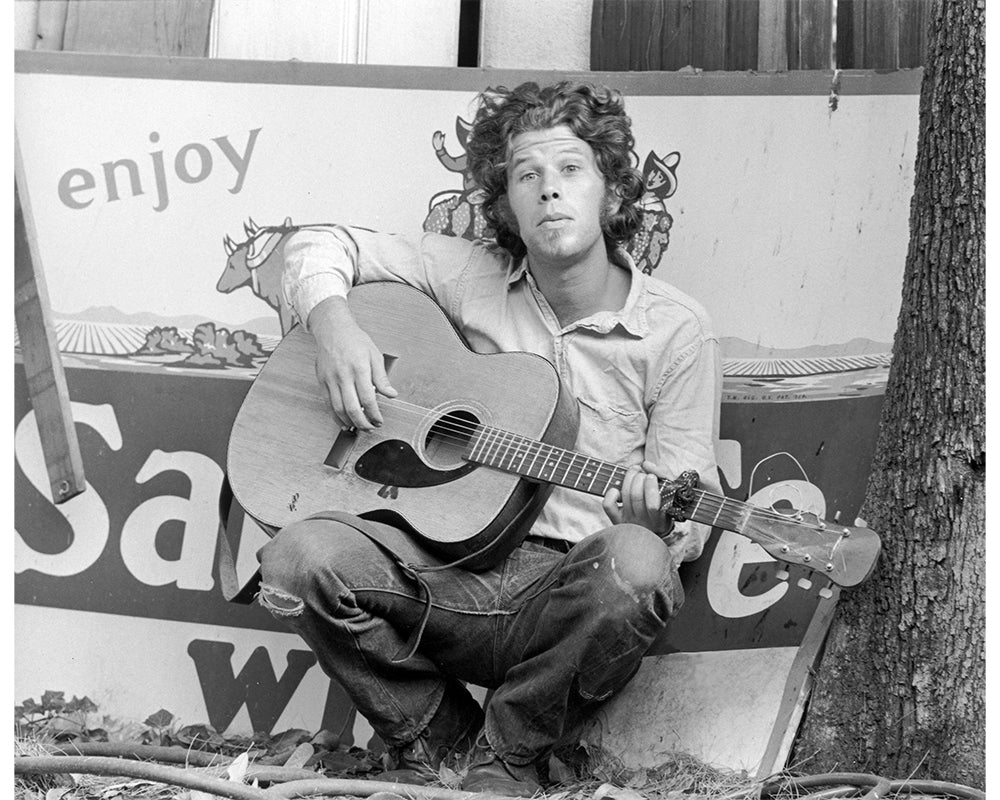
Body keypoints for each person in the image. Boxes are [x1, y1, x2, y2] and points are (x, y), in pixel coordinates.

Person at [256, 80, 722, 796]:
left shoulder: (677, 330)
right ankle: (440, 744)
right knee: (295, 559)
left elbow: (685, 502)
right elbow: (316, 244)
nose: (549, 191)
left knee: (640, 561)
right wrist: (335, 328)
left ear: (614, 194)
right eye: (526, 176)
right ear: (504, 205)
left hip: (568, 595)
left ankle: (508, 761)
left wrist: (657, 529)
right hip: (448, 574)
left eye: (571, 169)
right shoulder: (465, 276)